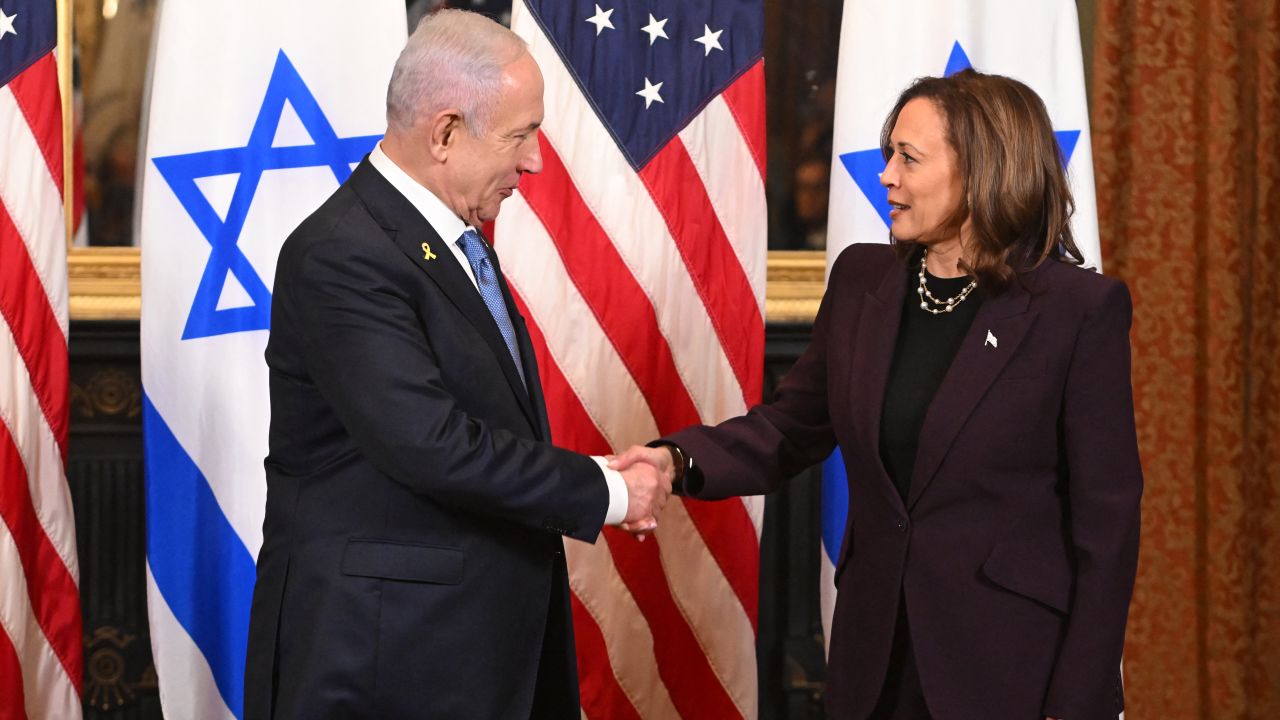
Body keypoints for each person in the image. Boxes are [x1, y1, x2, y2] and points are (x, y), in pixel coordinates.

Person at [613, 69, 1143, 720]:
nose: (885, 175)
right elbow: (790, 427)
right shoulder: (865, 280)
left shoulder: (1075, 311)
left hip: (1009, 668)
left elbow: (1107, 528)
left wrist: (1083, 697)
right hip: (875, 658)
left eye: (908, 158)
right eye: (888, 153)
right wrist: (675, 461)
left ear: (982, 169)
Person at [243, 10, 667, 719]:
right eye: (520, 134)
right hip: (384, 665)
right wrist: (608, 490)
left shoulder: (448, 237)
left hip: (469, 652)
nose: (535, 160)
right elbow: (431, 445)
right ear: (443, 133)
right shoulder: (342, 254)